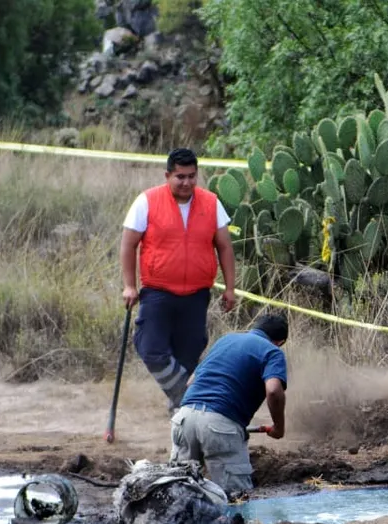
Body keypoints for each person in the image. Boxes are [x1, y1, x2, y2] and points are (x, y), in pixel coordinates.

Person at [121, 147, 238, 414]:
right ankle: (187, 398)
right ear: (167, 175)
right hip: (157, 290)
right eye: (180, 177)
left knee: (190, 354)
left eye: (192, 176)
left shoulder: (210, 203)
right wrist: (129, 285)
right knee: (150, 348)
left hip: (197, 293)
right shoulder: (147, 201)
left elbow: (225, 247)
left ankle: (181, 409)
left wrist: (230, 288)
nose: (187, 183)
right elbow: (128, 245)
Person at [170, 312, 288, 498]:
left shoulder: (225, 340)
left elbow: (191, 382)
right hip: (220, 423)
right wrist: (279, 428)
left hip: (184, 417)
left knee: (178, 491)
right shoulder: (272, 351)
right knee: (236, 499)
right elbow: (273, 391)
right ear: (279, 341)